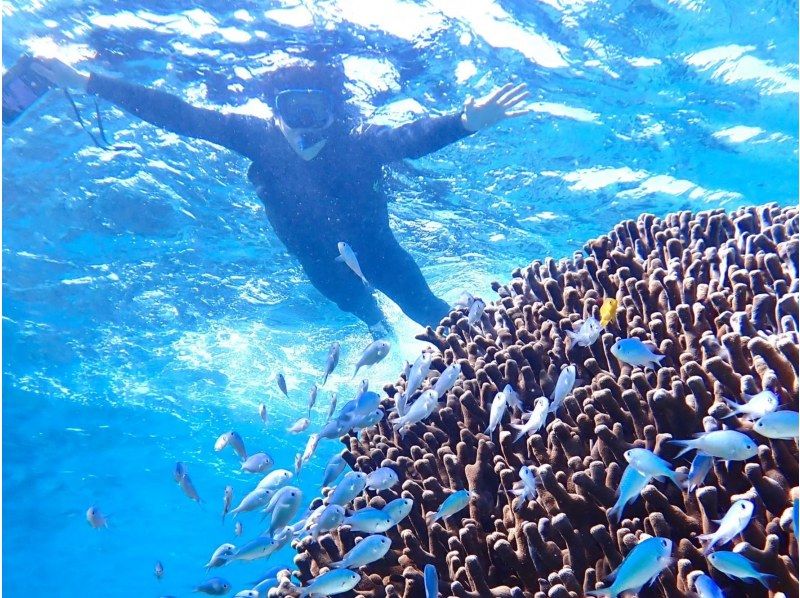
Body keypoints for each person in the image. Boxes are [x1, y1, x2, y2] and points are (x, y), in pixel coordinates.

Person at [32, 57, 531, 339]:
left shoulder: (358, 143)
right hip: (316, 259)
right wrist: (87, 81)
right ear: (274, 113)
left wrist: (465, 123)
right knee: (368, 318)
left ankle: (488, 361)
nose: (301, 126)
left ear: (334, 113)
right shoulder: (256, 138)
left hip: (377, 247)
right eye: (291, 110)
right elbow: (179, 115)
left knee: (426, 308)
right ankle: (398, 356)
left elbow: (409, 138)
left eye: (314, 111)